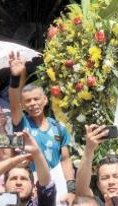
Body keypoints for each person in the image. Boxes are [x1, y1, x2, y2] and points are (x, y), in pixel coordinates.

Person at [8, 53, 74, 182]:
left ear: (45, 100)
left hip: (56, 184)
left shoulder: (59, 127)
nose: (33, 103)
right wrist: (15, 77)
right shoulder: (22, 124)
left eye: (36, 99)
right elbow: (14, 105)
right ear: (23, 105)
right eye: (28, 101)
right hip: (31, 184)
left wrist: (70, 186)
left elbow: (65, 159)